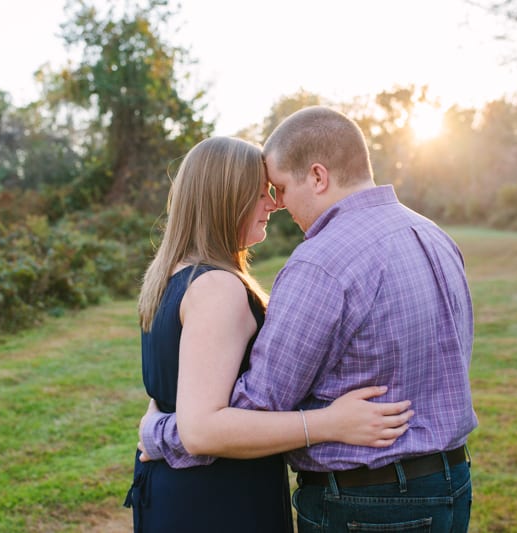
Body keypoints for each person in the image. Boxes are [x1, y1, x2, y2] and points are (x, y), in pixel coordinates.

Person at [140, 107, 478, 532]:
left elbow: (258, 403)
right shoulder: (432, 234)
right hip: (452, 484)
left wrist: (160, 430)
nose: (276, 204)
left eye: (278, 187)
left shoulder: (322, 262)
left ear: (317, 177)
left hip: (365, 503)